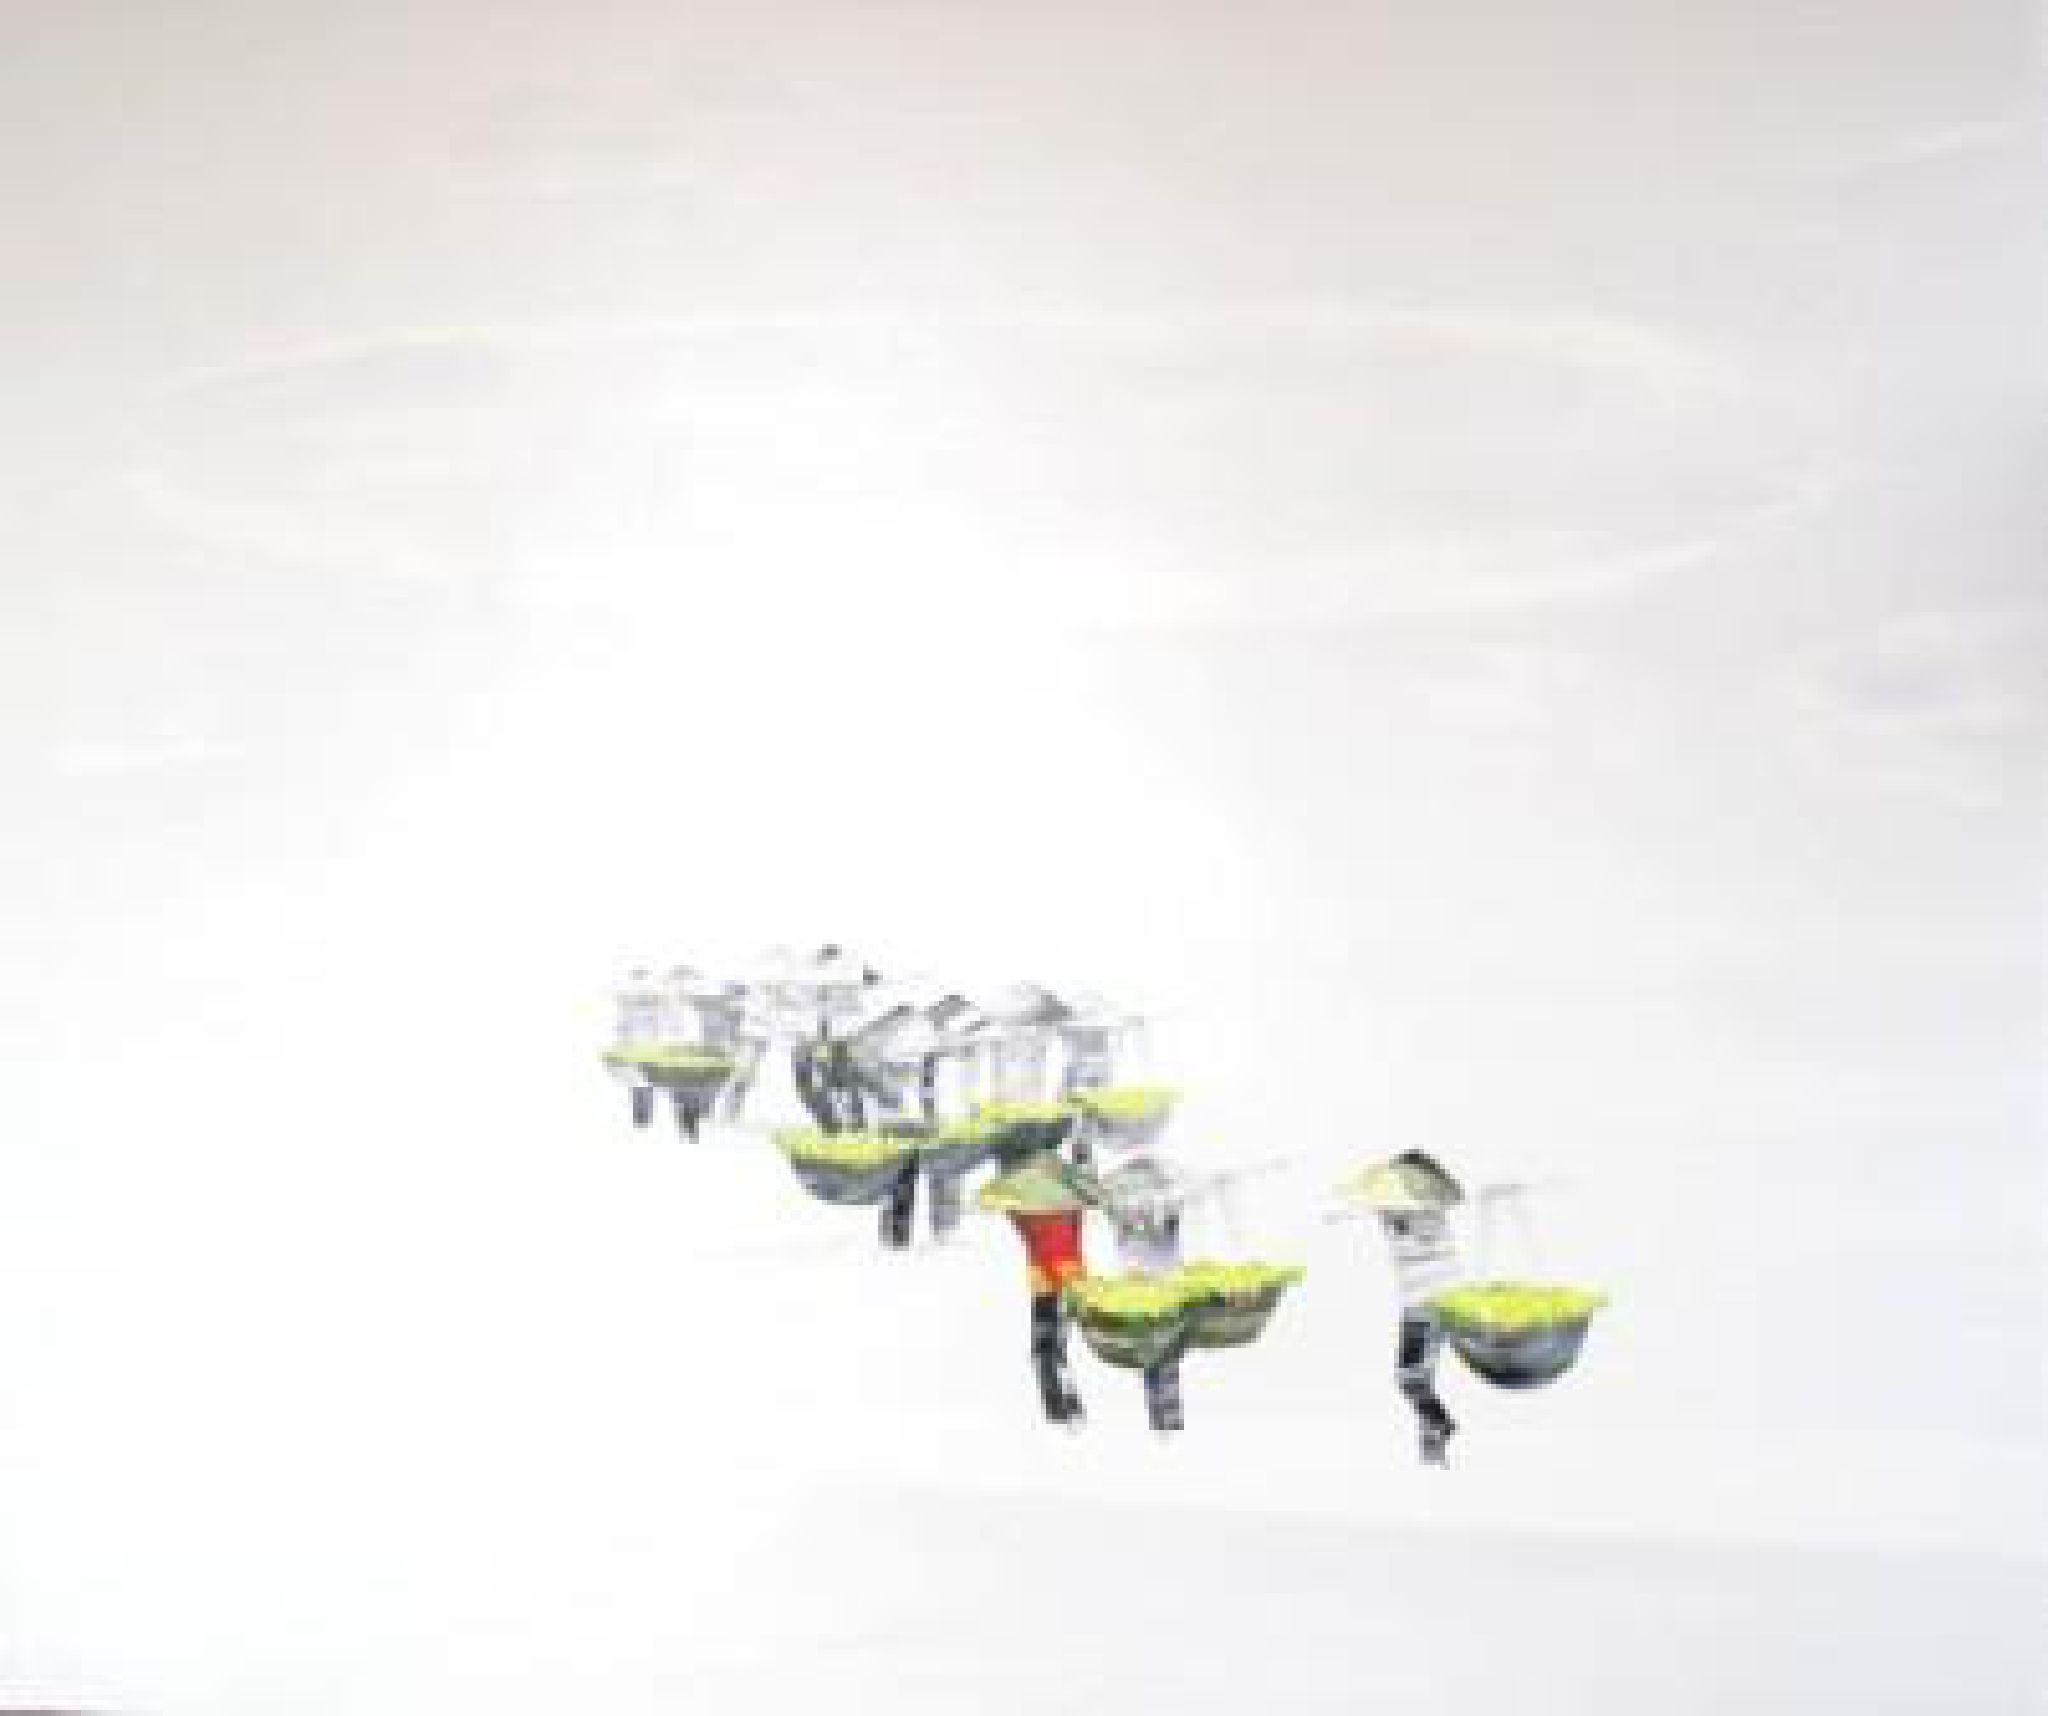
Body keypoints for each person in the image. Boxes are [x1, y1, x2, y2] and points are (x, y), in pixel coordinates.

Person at [1350, 1151, 1467, 1466]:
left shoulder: (1422, 1209)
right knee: (1417, 1378)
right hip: (1425, 1304)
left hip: (1428, 1305)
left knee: (1410, 1378)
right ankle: (1432, 1445)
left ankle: (1439, 1427)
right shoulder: (1406, 1209)